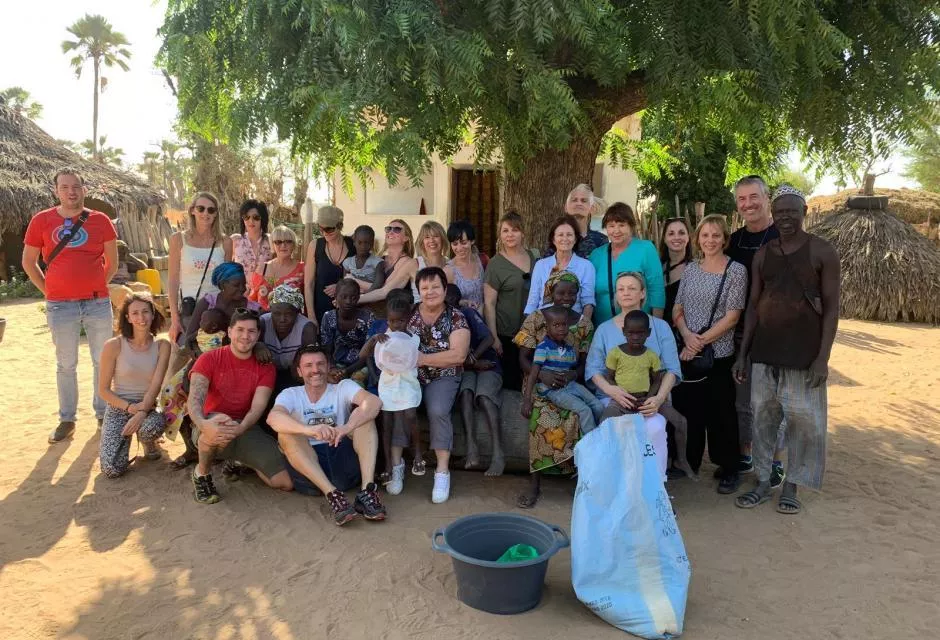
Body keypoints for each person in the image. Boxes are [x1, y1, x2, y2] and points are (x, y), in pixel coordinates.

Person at [734, 186, 840, 515]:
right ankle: (764, 481)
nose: (785, 218)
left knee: (804, 422)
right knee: (763, 419)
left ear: (805, 211)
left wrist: (822, 359)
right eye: (780, 213)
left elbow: (833, 308)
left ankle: (792, 484)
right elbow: (752, 306)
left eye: (792, 212)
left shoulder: (822, 251)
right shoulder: (764, 254)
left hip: (804, 356)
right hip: (764, 353)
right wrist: (743, 354)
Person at [22, 167, 119, 443]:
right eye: (64, 187)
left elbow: (111, 262)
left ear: (84, 190)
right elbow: (28, 262)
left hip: (97, 303)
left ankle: (102, 414)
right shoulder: (41, 221)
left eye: (76, 186)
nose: (71, 192)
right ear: (56, 191)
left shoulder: (100, 221)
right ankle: (67, 418)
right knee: (66, 364)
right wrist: (48, 290)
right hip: (60, 306)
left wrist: (99, 286)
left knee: (102, 361)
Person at [268, 345, 387, 525]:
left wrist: (345, 428)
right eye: (308, 365)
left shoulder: (343, 387)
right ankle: (333, 496)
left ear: (328, 366)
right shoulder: (291, 394)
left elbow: (374, 402)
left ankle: (367, 491)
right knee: (286, 434)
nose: (315, 370)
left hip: (342, 461)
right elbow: (273, 418)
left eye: (320, 364)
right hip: (310, 471)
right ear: (299, 371)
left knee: (364, 419)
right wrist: (309, 430)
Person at [672, 214, 748, 494]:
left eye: (716, 235)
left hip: (718, 353)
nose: (710, 240)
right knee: (690, 409)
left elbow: (732, 316)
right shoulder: (691, 269)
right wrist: (688, 337)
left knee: (721, 413)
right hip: (690, 351)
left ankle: (729, 467)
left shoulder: (736, 271)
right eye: (705, 235)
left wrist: (700, 341)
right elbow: (677, 308)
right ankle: (688, 461)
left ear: (725, 239)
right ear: (698, 239)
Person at [586, 272, 686, 482]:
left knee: (655, 427)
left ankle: (655, 487)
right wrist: (613, 391)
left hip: (651, 398)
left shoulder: (660, 327)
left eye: (632, 288)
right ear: (616, 295)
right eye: (621, 289)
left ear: (642, 293)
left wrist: (658, 399)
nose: (626, 293)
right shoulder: (604, 330)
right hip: (614, 398)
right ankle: (618, 486)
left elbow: (672, 369)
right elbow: (593, 370)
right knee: (616, 428)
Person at [187, 308, 293, 504]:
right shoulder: (209, 359)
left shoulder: (265, 366)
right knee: (218, 423)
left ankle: (237, 461)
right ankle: (202, 474)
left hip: (245, 427)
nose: (245, 336)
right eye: (240, 330)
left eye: (252, 331)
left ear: (258, 335)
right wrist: (203, 424)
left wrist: (241, 428)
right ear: (229, 332)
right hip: (210, 424)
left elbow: (257, 407)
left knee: (284, 482)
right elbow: (194, 401)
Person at [514, 271, 595, 508]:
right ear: (551, 292)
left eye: (572, 293)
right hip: (538, 383)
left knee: (581, 415)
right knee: (541, 420)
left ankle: (584, 479)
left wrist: (572, 374)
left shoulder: (584, 324)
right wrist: (544, 376)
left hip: (569, 383)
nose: (566, 297)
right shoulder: (536, 318)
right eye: (561, 292)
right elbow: (523, 359)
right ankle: (535, 484)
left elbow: (583, 362)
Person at [391, 267, 469, 503]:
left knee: (437, 410)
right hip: (410, 374)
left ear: (445, 289)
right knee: (399, 406)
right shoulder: (410, 314)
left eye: (435, 286)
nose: (430, 292)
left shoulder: (456, 317)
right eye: (424, 288)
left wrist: (422, 359)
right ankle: (396, 466)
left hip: (443, 374)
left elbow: (458, 355)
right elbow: (393, 339)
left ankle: (442, 472)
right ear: (418, 291)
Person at [727, 175, 785, 480]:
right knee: (742, 401)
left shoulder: (783, 238)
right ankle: (746, 454)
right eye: (741, 199)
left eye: (753, 197)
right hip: (738, 334)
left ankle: (775, 460)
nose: (748, 204)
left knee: (772, 401)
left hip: (774, 334)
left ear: (767, 198)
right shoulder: (734, 241)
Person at [97, 294, 171, 478]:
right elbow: (103, 390)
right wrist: (130, 408)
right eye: (135, 313)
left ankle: (148, 442)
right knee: (112, 469)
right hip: (119, 406)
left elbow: (156, 384)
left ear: (153, 314)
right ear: (128, 317)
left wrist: (141, 412)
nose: (141, 317)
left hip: (147, 405)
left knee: (150, 427)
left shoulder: (162, 345)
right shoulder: (113, 345)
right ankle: (125, 441)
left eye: (146, 312)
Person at [166, 192, 233, 376]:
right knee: (180, 363)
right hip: (189, 311)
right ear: (192, 211)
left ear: (216, 213)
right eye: (201, 208)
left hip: (216, 312)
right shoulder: (178, 239)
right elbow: (172, 279)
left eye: (211, 210)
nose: (206, 213)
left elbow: (228, 282)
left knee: (213, 366)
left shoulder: (225, 242)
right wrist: (174, 319)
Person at [360, 289, 422, 484]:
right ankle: (388, 464)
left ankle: (418, 453)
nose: (396, 326)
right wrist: (372, 340)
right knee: (386, 425)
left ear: (409, 319)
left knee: (411, 415)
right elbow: (363, 356)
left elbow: (415, 358)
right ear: (387, 320)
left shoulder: (414, 337)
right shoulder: (383, 337)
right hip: (387, 385)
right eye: (392, 321)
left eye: (400, 321)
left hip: (408, 384)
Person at [444, 284, 505, 476]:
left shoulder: (468, 313)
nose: (448, 304)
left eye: (451, 300)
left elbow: (488, 339)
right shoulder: (441, 320)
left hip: (488, 362)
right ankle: (471, 448)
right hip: (468, 366)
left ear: (457, 300)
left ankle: (498, 454)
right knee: (465, 394)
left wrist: (474, 359)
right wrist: (472, 364)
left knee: (484, 397)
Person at [523, 304, 604, 434]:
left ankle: (601, 433)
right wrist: (527, 400)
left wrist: (571, 374)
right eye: (556, 325)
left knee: (598, 405)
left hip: (570, 385)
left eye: (564, 325)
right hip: (552, 390)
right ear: (547, 329)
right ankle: (592, 445)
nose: (561, 329)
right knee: (584, 410)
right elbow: (533, 373)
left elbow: (572, 369)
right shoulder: (544, 348)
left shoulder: (569, 348)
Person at [482, 211, 540, 391]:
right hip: (508, 335)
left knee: (533, 383)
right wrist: (494, 337)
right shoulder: (495, 264)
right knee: (512, 385)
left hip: (533, 334)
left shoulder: (535, 257)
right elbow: (489, 304)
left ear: (522, 232)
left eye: (514, 230)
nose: (510, 235)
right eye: (505, 230)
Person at [589, 202, 665, 325]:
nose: (616, 230)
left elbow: (656, 289)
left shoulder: (645, 249)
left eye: (621, 225)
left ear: (631, 226)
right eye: (611, 225)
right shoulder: (596, 255)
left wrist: (657, 325)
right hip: (604, 329)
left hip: (639, 328)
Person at [524, 215, 595, 321]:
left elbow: (588, 303)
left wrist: (582, 329)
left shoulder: (586, 266)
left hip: (572, 325)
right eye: (560, 235)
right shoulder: (541, 265)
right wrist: (529, 328)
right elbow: (533, 301)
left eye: (569, 235)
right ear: (553, 239)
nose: (565, 239)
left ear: (575, 239)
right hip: (543, 324)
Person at [600, 310, 664, 418]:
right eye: (631, 333)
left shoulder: (652, 356)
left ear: (648, 332)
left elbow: (657, 380)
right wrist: (622, 396)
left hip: (644, 401)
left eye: (640, 333)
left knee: (678, 421)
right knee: (606, 420)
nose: (635, 337)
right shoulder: (615, 353)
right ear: (624, 331)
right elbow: (609, 378)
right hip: (620, 401)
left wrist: (649, 397)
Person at [260, 285, 318, 395]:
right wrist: (258, 345)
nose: (282, 319)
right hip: (266, 374)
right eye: (277, 314)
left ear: (297, 313)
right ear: (270, 310)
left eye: (288, 314)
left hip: (295, 376)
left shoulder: (307, 328)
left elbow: (310, 362)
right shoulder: (262, 323)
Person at [304, 205, 355, 327]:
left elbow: (364, 276)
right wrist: (311, 316)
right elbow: (309, 284)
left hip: (347, 311)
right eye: (320, 228)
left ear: (340, 226)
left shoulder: (353, 245)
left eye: (329, 229)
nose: (324, 232)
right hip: (320, 310)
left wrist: (340, 286)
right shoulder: (315, 246)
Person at [319, 278, 375, 385]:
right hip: (336, 364)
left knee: (357, 384)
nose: (348, 301)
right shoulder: (328, 317)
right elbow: (326, 348)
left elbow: (368, 352)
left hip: (362, 364)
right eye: (343, 297)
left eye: (353, 297)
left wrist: (347, 371)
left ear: (359, 297)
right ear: (335, 297)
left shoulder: (368, 318)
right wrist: (332, 367)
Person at [357, 219, 420, 305]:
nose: (390, 232)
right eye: (388, 229)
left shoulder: (409, 263)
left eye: (397, 229)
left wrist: (355, 284)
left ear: (406, 238)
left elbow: (384, 290)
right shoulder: (379, 259)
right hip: (371, 309)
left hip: (393, 314)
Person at [248, 225, 304, 311]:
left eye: (288, 241)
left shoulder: (303, 268)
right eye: (278, 242)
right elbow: (252, 300)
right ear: (272, 245)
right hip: (264, 320)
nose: (283, 245)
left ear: (294, 244)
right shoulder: (262, 268)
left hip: (292, 320)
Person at [659, 217, 693, 328]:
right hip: (658, 329)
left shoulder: (696, 270)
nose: (676, 237)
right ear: (664, 238)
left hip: (686, 333)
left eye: (681, 233)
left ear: (688, 237)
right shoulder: (655, 267)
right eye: (671, 233)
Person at [445, 220, 485, 310]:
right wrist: (461, 302)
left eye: (463, 243)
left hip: (483, 319)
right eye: (455, 244)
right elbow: (442, 300)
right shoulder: (448, 270)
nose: (459, 248)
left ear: (472, 241)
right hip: (462, 320)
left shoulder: (482, 261)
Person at [563, 183, 608, 258]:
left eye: (584, 201)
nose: (579, 203)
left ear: (592, 208)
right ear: (566, 208)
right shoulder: (558, 237)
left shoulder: (600, 241)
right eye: (574, 200)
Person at [231, 199, 272, 276]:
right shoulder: (235, 240)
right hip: (240, 287)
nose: (251, 221)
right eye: (246, 217)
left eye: (256, 217)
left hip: (265, 287)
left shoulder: (272, 241)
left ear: (263, 218)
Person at [343, 225, 386, 291]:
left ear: (372, 244)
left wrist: (364, 297)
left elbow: (378, 285)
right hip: (352, 298)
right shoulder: (348, 262)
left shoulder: (378, 263)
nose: (363, 247)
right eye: (359, 242)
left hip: (371, 298)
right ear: (354, 242)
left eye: (367, 243)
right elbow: (345, 284)